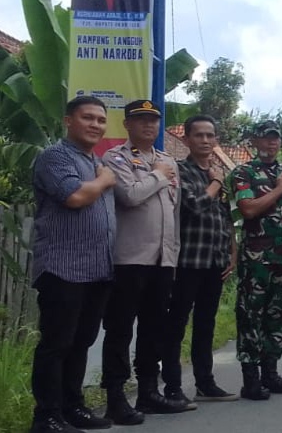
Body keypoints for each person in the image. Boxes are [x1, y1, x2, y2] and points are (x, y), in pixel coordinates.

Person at [29, 96, 118, 433]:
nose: (95, 124)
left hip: (97, 269)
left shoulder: (94, 161)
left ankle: (72, 407)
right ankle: (47, 416)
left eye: (100, 119)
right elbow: (75, 197)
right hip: (62, 268)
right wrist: (105, 181)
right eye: (87, 118)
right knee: (57, 343)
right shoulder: (54, 157)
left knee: (81, 342)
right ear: (68, 121)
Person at [101, 99, 186, 423]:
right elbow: (131, 196)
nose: (149, 126)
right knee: (121, 329)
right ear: (127, 125)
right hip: (130, 258)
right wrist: (158, 177)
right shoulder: (116, 157)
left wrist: (173, 254)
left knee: (153, 328)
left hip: (163, 259)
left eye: (153, 120)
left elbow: (174, 213)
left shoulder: (167, 160)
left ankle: (149, 391)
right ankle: (115, 396)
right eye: (141, 120)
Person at [161, 115, 238, 405]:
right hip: (187, 260)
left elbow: (227, 216)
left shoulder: (217, 172)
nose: (205, 141)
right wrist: (216, 183)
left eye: (210, 135)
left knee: (206, 323)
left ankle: (205, 382)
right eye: (199, 135)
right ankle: (172, 387)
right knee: (176, 324)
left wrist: (231, 252)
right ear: (186, 139)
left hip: (215, 261)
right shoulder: (180, 171)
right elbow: (192, 206)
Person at [229, 120, 282, 400]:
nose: (272, 143)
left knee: (280, 315)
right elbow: (248, 210)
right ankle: (250, 379)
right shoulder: (243, 172)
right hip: (256, 260)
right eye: (266, 138)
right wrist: (278, 189)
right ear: (255, 141)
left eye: (276, 138)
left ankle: (271, 374)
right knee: (251, 316)